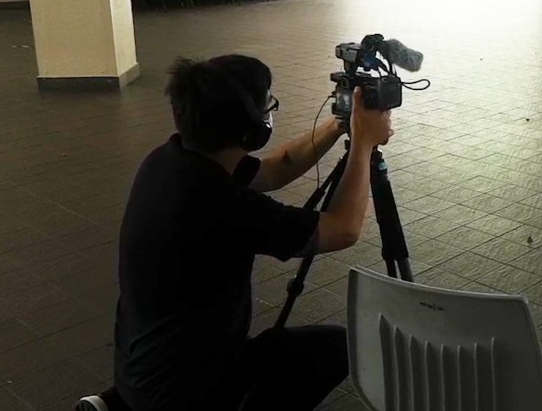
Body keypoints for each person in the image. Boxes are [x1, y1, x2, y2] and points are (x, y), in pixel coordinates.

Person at [75, 55, 394, 411]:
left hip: (140, 372)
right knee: (335, 348)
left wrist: (340, 125)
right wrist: (364, 144)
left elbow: (274, 170)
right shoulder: (224, 204)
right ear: (252, 130)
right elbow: (343, 229)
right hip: (185, 390)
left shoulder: (168, 160)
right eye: (268, 105)